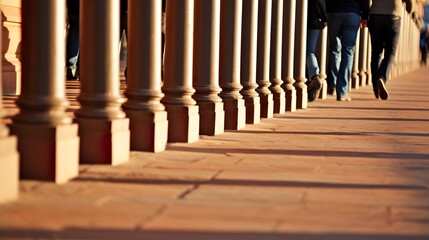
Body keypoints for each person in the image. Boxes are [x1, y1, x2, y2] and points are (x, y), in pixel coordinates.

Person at [368, 0, 412, 100]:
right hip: (394, 16)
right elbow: (410, 3)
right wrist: (409, 10)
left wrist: (365, 14)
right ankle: (382, 77)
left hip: (375, 15)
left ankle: (376, 88)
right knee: (390, 52)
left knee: (376, 52)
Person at [326, 0, 369, 101]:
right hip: (352, 14)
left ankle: (333, 84)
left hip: (334, 13)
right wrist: (365, 16)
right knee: (348, 52)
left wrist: (327, 12)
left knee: (334, 49)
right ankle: (342, 91)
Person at [306, 0, 327, 102]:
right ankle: (314, 75)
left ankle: (312, 79)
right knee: (309, 51)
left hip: (298, 19)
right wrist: (324, 18)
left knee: (302, 52)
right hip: (314, 20)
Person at [66, 0, 79, 80]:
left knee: (74, 30)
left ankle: (72, 68)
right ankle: (86, 68)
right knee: (90, 33)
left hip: (73, 5)